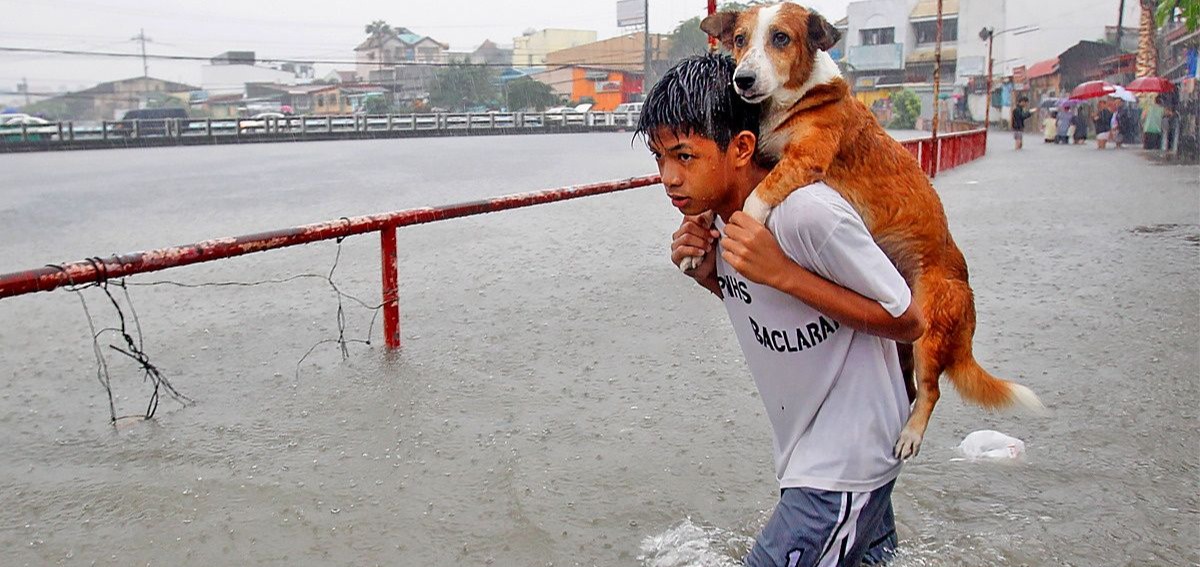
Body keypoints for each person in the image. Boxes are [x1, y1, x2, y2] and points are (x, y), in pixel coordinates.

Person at [638, 54, 925, 567]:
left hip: (844, 460)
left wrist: (781, 271)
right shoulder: (723, 221)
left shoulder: (806, 213)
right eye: (660, 158)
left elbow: (907, 319)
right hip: (817, 451)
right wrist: (712, 276)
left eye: (684, 156)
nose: (668, 177)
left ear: (742, 148)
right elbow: (780, 310)